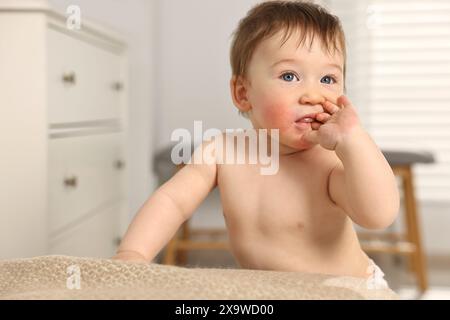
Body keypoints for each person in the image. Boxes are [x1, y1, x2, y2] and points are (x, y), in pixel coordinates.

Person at [112, 0, 399, 287]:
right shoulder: (223, 152)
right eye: (290, 76)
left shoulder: (328, 161)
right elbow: (172, 202)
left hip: (347, 291)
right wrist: (133, 253)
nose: (312, 94)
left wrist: (354, 141)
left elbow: (378, 215)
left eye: (328, 78)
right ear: (242, 93)